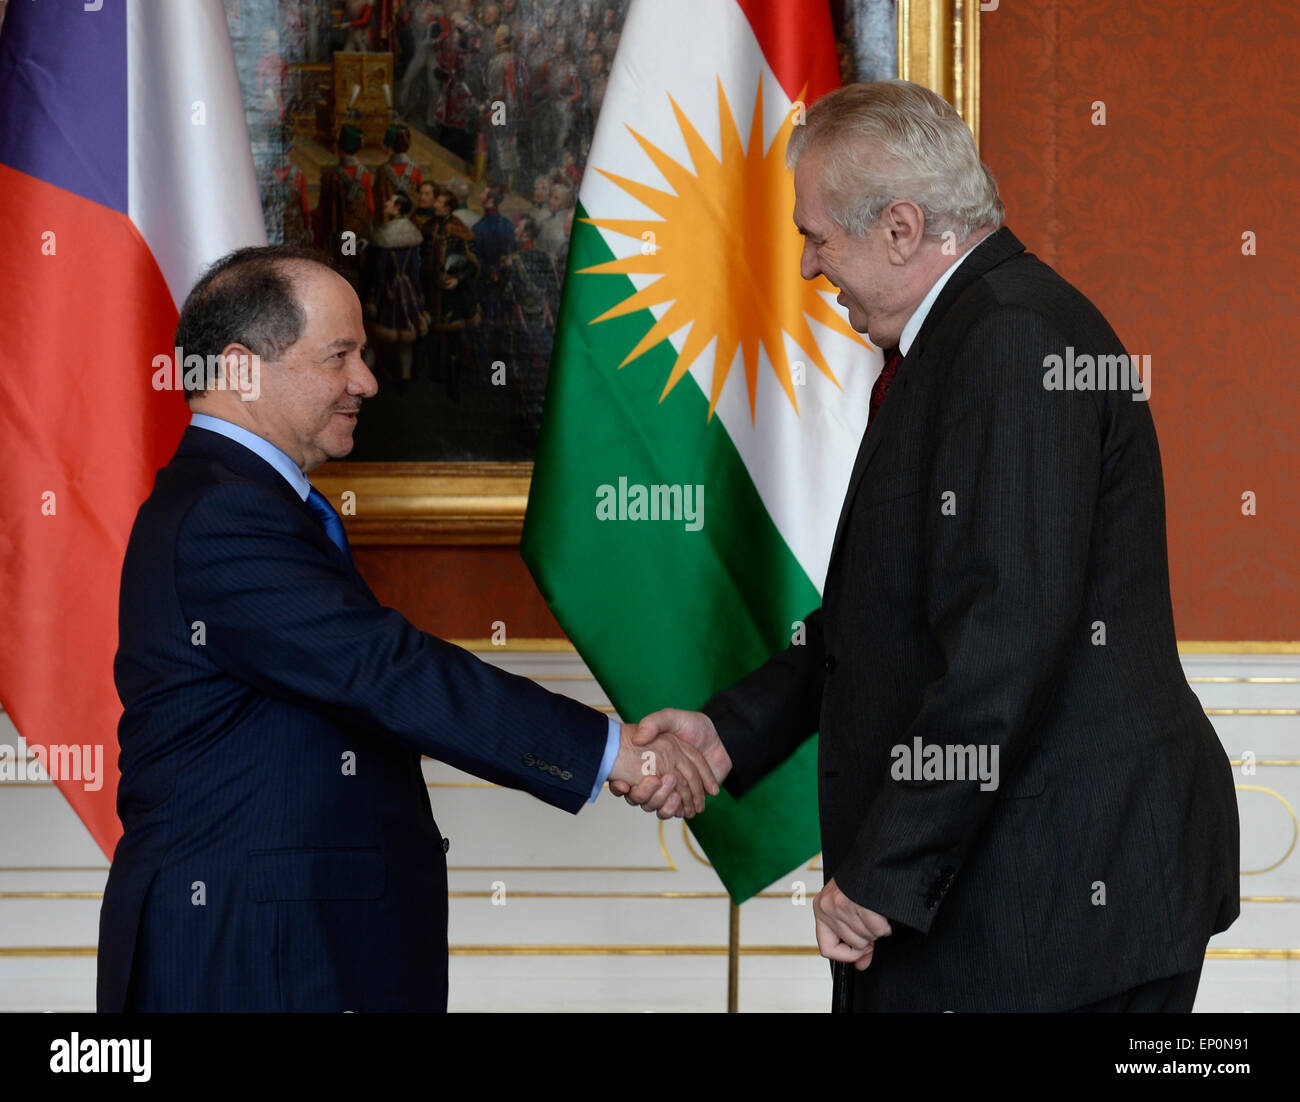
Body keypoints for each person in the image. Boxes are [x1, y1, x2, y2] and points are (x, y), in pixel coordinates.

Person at [621, 80, 1240, 1012]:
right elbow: (889, 612)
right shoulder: (966, 335)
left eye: (817, 236)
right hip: (1010, 890)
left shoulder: (1013, 341)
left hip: (1052, 904)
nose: (807, 266)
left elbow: (1008, 641)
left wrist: (885, 877)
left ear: (903, 229)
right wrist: (728, 733)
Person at [99, 245, 724, 1013]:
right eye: (341, 356)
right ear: (239, 368)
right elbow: (383, 669)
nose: (367, 380)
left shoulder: (249, 499)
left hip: (297, 944)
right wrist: (610, 752)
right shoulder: (223, 514)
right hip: (246, 955)